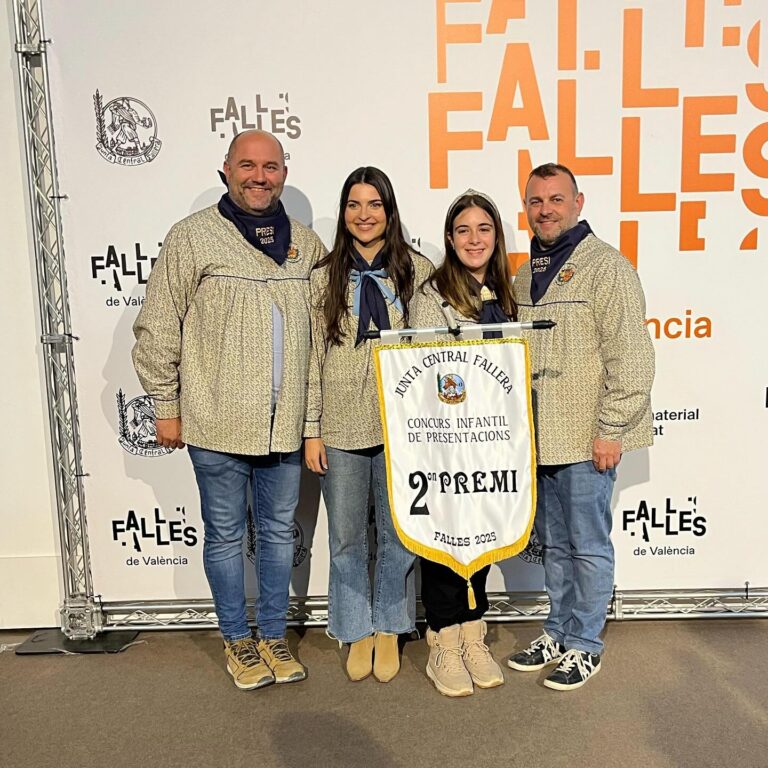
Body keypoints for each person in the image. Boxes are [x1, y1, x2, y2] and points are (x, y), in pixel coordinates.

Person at [132, 129, 326, 690]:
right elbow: (158, 325)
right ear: (226, 170)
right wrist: (165, 405)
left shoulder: (307, 246)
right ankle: (237, 642)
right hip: (215, 422)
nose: (259, 176)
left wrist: (312, 423)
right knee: (221, 536)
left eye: (270, 166)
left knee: (276, 535)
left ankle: (270, 636)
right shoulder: (191, 238)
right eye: (247, 165)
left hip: (284, 427)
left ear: (284, 173)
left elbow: (319, 344)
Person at [508, 162, 655, 690]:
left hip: (588, 440)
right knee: (555, 545)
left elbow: (632, 357)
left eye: (556, 199)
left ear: (578, 202)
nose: (545, 209)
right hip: (540, 439)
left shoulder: (607, 267)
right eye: (535, 201)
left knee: (588, 544)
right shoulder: (525, 273)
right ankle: (558, 629)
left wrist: (611, 428)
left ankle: (585, 644)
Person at [304, 167, 433, 682]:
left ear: (389, 210)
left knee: (401, 536)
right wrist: (312, 428)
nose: (364, 215)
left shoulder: (418, 271)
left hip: (403, 427)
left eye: (374, 204)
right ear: (344, 213)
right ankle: (355, 628)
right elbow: (312, 358)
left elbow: (433, 351)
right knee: (347, 536)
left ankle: (391, 627)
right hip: (340, 424)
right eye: (354, 205)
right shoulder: (322, 275)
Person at [409, 189, 517, 697]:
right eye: (463, 230)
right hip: (445, 443)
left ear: (496, 236)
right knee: (446, 541)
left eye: (483, 230)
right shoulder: (431, 294)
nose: (474, 240)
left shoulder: (508, 290)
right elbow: (418, 368)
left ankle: (476, 633)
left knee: (484, 538)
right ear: (450, 240)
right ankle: (444, 639)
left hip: (494, 443)